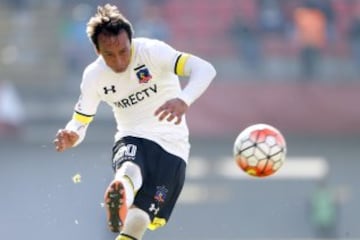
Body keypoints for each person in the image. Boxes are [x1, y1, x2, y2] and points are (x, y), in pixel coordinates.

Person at [53, 4, 216, 240]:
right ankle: (120, 192)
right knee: (129, 169)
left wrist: (184, 99)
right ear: (98, 52)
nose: (119, 61)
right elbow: (80, 121)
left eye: (123, 51)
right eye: (109, 55)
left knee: (140, 220)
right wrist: (72, 135)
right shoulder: (94, 76)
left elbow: (205, 69)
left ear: (132, 41)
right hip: (131, 137)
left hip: (173, 148)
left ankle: (123, 197)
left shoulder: (152, 51)